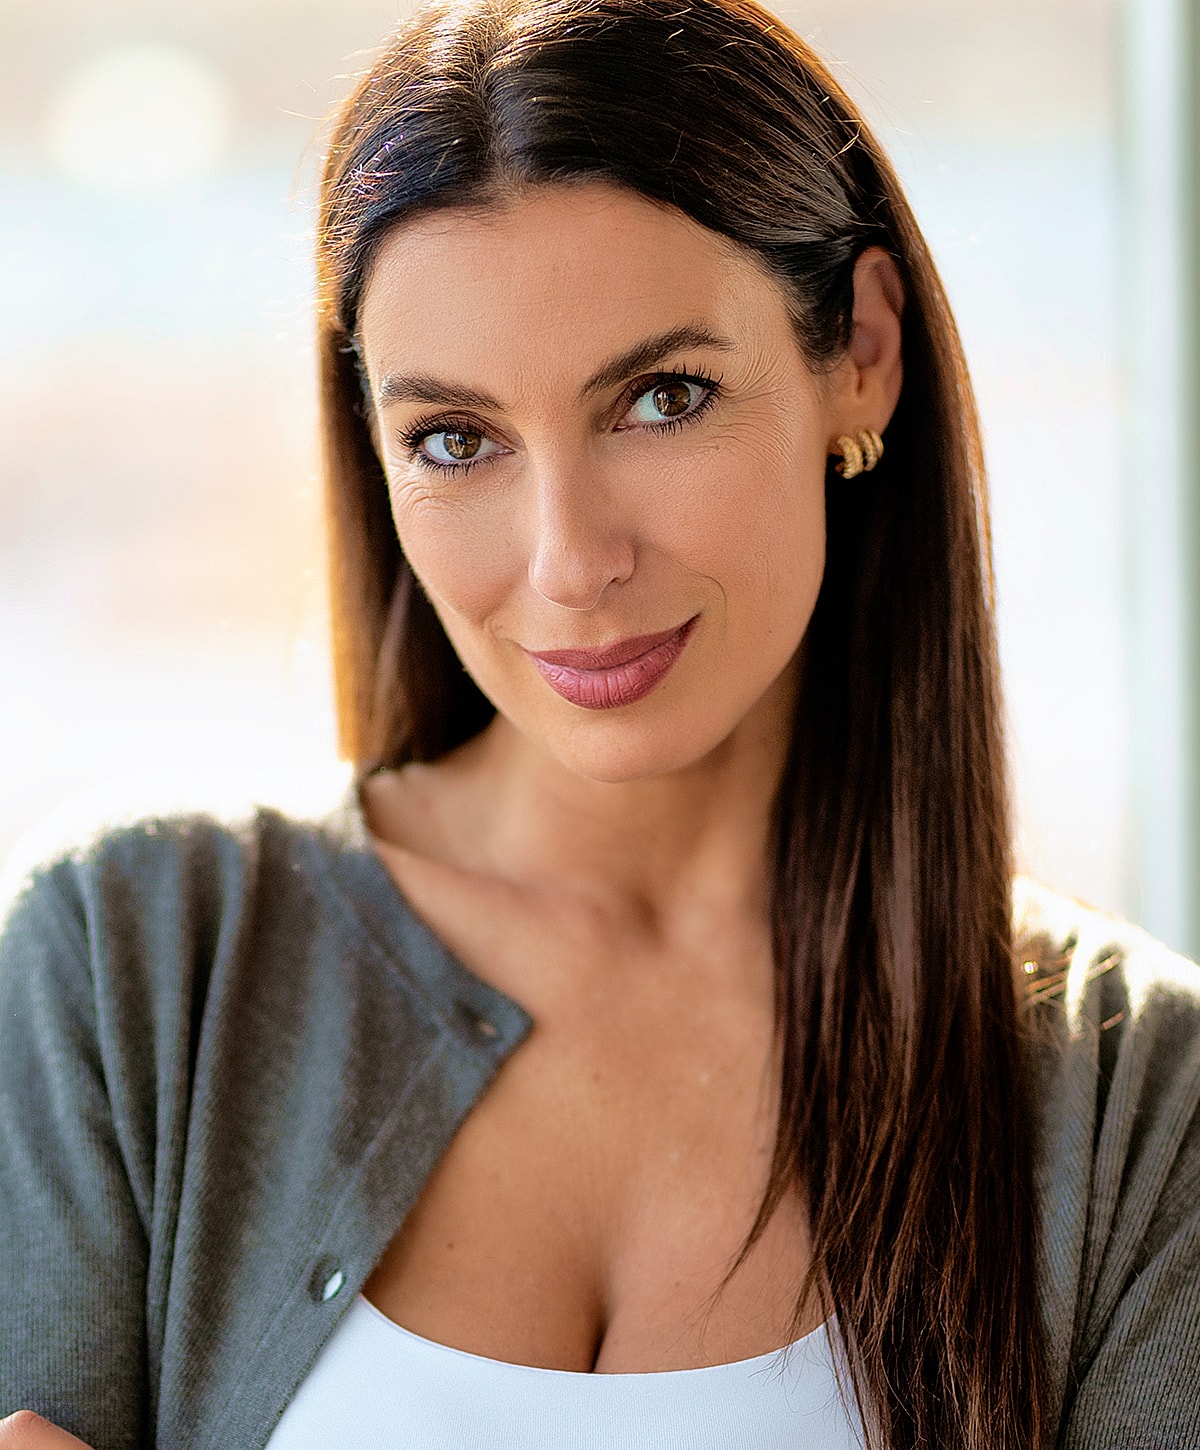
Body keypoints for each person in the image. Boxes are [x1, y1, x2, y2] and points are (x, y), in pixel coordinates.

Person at [2, 0, 1199, 1446]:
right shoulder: (131, 966)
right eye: (455, 439)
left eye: (662, 397)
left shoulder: (1139, 1100)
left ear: (862, 352)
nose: (569, 561)